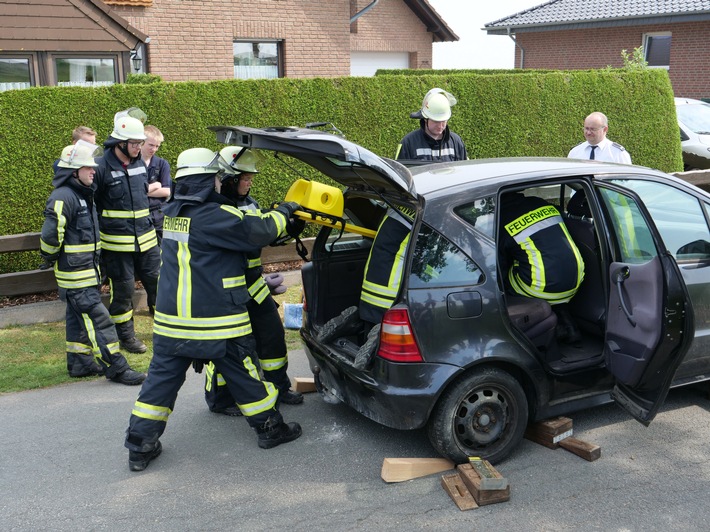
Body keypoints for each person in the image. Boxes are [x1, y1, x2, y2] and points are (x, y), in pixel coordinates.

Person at [124, 147, 303, 471]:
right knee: (246, 376)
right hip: (216, 320)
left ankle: (140, 446)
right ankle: (270, 429)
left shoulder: (174, 210)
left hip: (171, 321)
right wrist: (286, 211)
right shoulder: (215, 215)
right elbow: (260, 230)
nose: (221, 183)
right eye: (217, 177)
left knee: (160, 384)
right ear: (208, 181)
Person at [202, 146, 304, 416]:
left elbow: (260, 234)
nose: (249, 183)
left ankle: (278, 387)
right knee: (229, 347)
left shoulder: (249, 203)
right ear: (228, 180)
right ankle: (221, 399)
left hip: (252, 283)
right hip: (226, 290)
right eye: (245, 179)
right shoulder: (214, 209)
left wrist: (286, 231)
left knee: (271, 334)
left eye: (250, 179)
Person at [40, 142, 146, 385]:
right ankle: (118, 368)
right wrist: (52, 257)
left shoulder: (82, 194)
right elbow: (49, 238)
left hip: (86, 274)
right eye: (86, 167)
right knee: (100, 321)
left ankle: (81, 363)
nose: (92, 170)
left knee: (78, 321)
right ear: (72, 172)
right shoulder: (63, 197)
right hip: (76, 276)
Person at [317, 205, 414, 369]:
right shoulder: (427, 211)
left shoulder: (400, 205)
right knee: (388, 318)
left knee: (372, 314)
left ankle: (354, 321)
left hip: (372, 280)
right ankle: (380, 334)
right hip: (390, 287)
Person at [93, 115, 159, 354]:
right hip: (117, 247)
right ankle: (126, 337)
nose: (139, 148)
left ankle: (167, 332)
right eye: (134, 143)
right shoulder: (100, 167)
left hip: (148, 241)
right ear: (120, 143)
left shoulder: (139, 163)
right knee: (123, 293)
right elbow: (93, 206)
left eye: (140, 143)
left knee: (159, 285)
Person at [499, 191, 585, 343]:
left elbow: (499, 263)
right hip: (577, 278)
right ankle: (569, 325)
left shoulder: (500, 217)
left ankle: (552, 329)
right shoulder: (541, 203)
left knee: (506, 277)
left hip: (539, 288)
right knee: (540, 264)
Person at [395, 87, 467, 162]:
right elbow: (399, 171)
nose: (440, 126)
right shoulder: (409, 143)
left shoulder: (456, 142)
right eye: (436, 121)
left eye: (443, 121)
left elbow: (464, 171)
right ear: (426, 119)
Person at [141, 125, 171, 243]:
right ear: (142, 142)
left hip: (158, 217)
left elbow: (167, 191)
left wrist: (141, 191)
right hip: (138, 215)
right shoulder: (132, 163)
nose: (154, 149)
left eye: (157, 146)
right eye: (151, 145)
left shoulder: (162, 164)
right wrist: (155, 186)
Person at [567, 112, 632, 164]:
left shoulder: (617, 154)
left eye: (593, 129)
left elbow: (628, 178)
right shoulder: (575, 152)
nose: (588, 132)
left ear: (605, 129)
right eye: (586, 128)